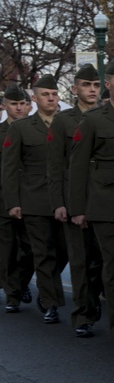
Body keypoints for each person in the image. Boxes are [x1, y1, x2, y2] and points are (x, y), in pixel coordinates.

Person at [69, 58, 114, 349]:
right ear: (108, 85)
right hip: (105, 203)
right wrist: (78, 208)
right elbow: (78, 167)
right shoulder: (94, 120)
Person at [3, 77, 68, 325]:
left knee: (64, 250)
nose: (51, 98)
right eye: (45, 94)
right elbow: (10, 168)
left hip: (65, 199)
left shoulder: (72, 123)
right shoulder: (21, 128)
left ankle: (39, 290)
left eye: (54, 93)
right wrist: (13, 201)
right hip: (34, 199)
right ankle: (51, 302)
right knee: (43, 252)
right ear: (35, 99)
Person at [46, 64, 104, 334]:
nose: (91, 90)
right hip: (74, 198)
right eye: (86, 85)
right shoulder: (63, 120)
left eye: (95, 85)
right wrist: (59, 202)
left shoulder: (109, 116)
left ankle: (96, 301)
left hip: (104, 197)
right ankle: (83, 315)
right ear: (75, 89)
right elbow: (55, 164)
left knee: (102, 260)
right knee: (80, 261)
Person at [1, 86, 36, 313]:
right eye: (14, 104)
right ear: (4, 106)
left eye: (23, 103)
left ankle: (20, 283)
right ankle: (12, 294)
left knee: (32, 248)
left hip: (32, 197)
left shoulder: (36, 131)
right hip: (3, 200)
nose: (19, 107)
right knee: (7, 250)